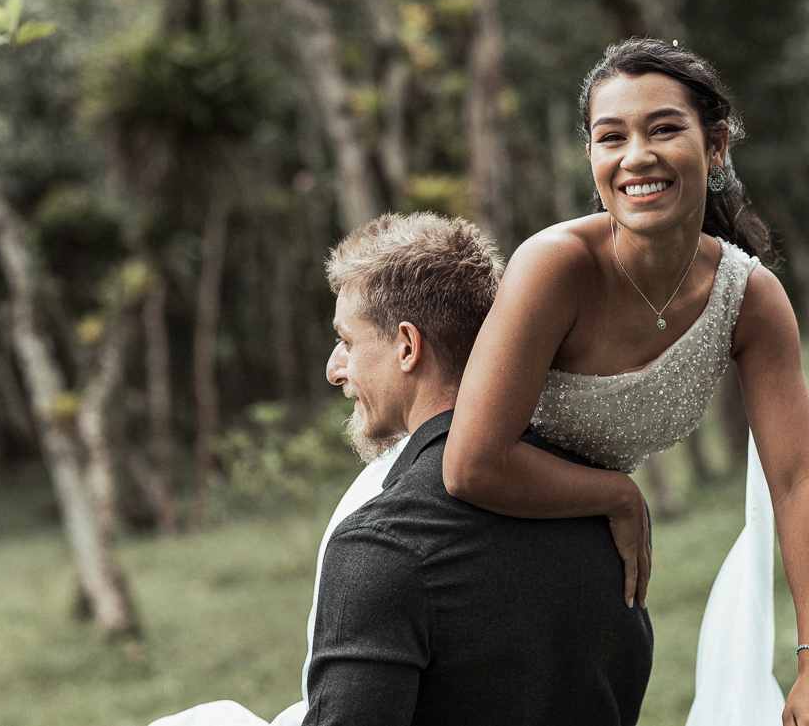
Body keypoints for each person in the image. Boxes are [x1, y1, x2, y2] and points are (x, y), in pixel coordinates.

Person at [441, 37, 809, 725]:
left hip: (584, 574)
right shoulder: (555, 266)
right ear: (593, 158)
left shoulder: (749, 299)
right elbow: (470, 464)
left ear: (715, 145)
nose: (637, 155)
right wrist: (617, 494)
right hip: (449, 545)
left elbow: (799, 480)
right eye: (613, 137)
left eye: (664, 128)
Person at [149, 212, 652, 726]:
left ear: (408, 347)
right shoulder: (602, 507)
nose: (334, 369)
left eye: (347, 341)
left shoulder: (382, 546)